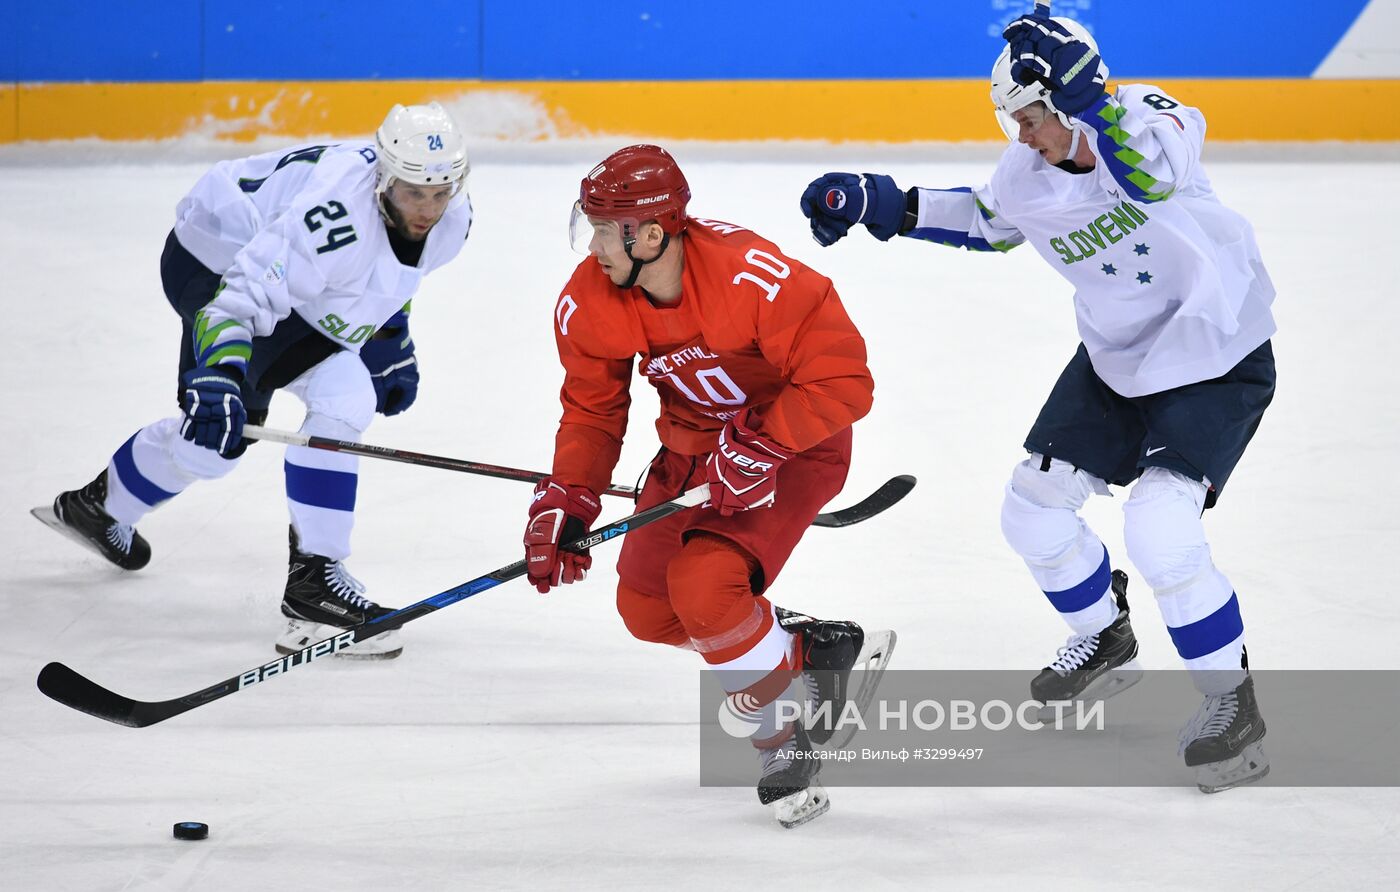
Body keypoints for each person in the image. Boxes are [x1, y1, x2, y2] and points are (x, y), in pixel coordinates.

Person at [799, 10, 1275, 793]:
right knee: (1032, 507)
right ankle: (1103, 636)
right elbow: (991, 223)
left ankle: (1233, 704)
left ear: (1072, 99)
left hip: (1215, 353)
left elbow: (1150, 177)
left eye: (1031, 117)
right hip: (1116, 360)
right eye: (1011, 120)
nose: (1021, 135)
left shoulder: (1153, 118)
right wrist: (881, 202)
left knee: (1159, 525)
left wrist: (1091, 103)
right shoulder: (1028, 171)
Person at [525, 144, 895, 827]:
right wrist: (568, 496)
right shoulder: (589, 299)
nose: (595, 245)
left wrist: (761, 445)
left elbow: (843, 379)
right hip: (691, 455)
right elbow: (591, 410)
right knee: (650, 610)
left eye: (608, 229)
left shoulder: (750, 276)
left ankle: (783, 736)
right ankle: (809, 651)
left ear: (654, 232)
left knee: (704, 586)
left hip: (793, 444)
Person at [35, 102, 474, 660]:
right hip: (215, 254)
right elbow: (237, 301)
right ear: (385, 178)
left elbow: (385, 276)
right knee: (216, 444)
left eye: (441, 192)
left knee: (347, 395)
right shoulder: (332, 220)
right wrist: (217, 376)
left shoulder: (453, 218)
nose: (429, 208)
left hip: (289, 276)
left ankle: (313, 585)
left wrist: (388, 340)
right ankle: (101, 506)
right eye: (415, 192)